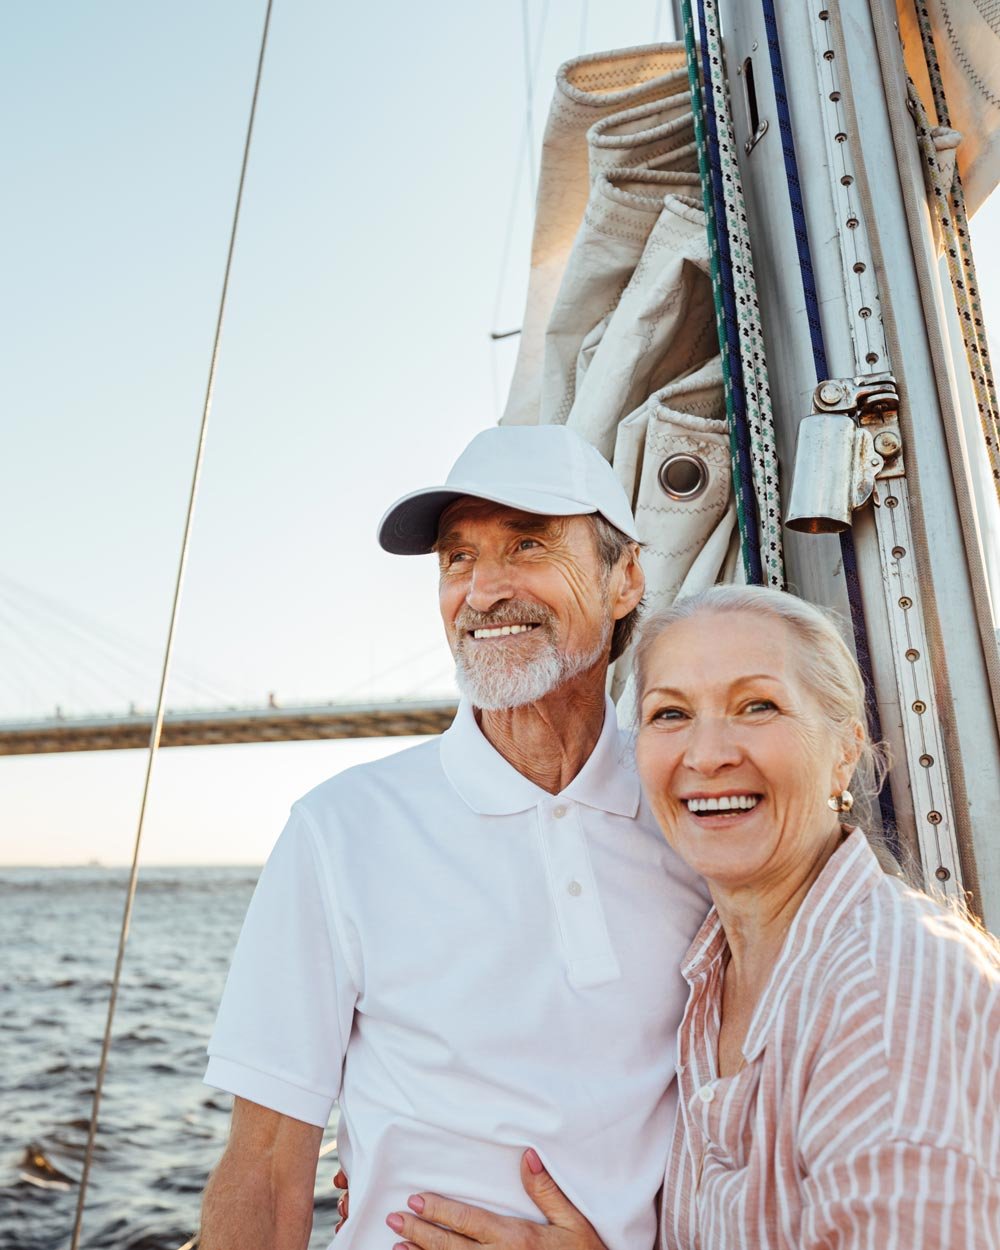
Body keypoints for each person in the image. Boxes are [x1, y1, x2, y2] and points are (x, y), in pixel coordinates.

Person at [198, 423, 710, 1250]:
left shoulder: (697, 820)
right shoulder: (340, 830)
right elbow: (263, 1170)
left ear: (625, 580)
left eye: (528, 545)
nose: (481, 591)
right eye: (458, 558)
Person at [384, 585, 1000, 1249]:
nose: (706, 756)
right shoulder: (712, 969)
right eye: (670, 714)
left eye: (757, 706)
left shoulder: (891, 999)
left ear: (845, 747)